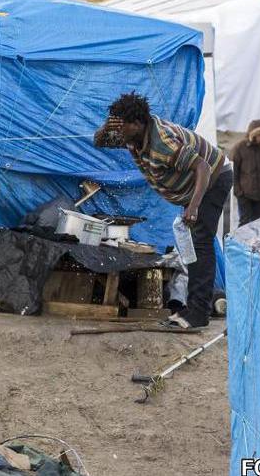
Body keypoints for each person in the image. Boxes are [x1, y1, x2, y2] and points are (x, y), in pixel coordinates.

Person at [94, 92, 232, 328]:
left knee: (200, 243)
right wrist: (108, 126)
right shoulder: (134, 138)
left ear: (137, 124)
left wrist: (193, 207)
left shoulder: (162, 143)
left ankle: (198, 314)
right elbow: (99, 141)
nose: (119, 131)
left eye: (121, 125)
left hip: (214, 178)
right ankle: (194, 308)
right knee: (191, 247)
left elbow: (203, 167)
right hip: (196, 187)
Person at [230, 120, 260, 226]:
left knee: (258, 222)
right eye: (259, 134)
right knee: (244, 222)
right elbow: (232, 171)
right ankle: (241, 242)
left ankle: (256, 243)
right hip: (245, 195)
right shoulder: (239, 148)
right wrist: (238, 192)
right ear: (252, 134)